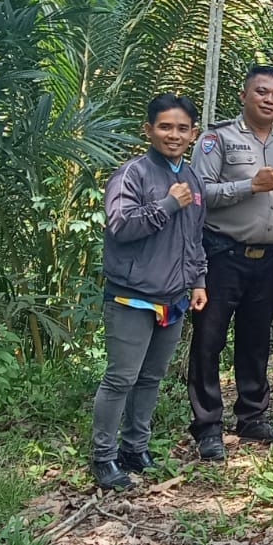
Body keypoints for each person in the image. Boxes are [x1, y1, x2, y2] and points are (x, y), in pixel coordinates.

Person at [91, 94, 208, 489]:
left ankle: (134, 448)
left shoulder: (191, 178)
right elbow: (121, 226)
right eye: (164, 126)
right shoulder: (132, 174)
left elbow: (194, 238)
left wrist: (198, 282)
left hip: (172, 298)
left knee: (151, 378)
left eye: (181, 128)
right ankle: (103, 457)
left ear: (193, 134)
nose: (173, 135)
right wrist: (167, 205)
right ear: (149, 130)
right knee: (121, 378)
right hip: (131, 297)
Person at [188, 65, 273, 462]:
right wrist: (248, 186)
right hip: (224, 255)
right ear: (244, 95)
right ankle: (207, 425)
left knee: (255, 342)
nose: (269, 100)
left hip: (268, 260)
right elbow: (199, 193)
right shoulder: (217, 138)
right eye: (262, 92)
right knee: (209, 342)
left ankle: (252, 416)